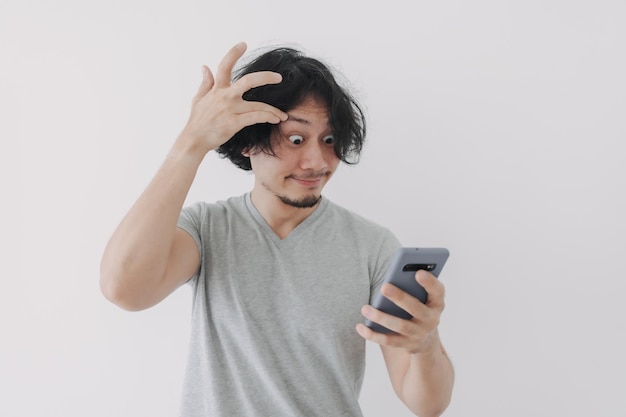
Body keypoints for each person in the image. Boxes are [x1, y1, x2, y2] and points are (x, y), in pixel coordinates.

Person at [100, 41, 454, 417]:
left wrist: (425, 344)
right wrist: (191, 143)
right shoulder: (206, 230)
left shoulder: (373, 246)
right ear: (247, 141)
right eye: (296, 139)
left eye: (330, 139)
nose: (317, 161)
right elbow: (124, 289)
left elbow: (427, 404)